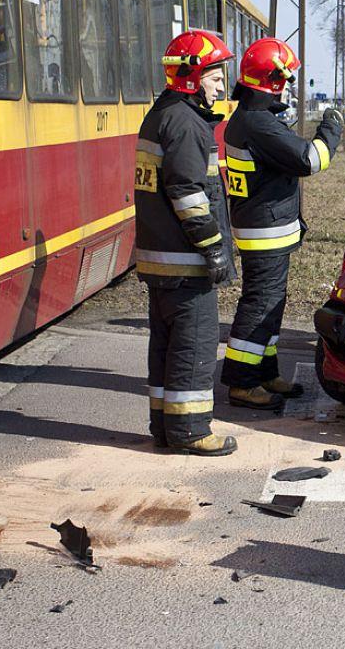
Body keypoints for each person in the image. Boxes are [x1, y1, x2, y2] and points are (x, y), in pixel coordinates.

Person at [220, 38, 343, 410]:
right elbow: (309, 159)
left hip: (263, 227)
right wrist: (331, 130)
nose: (289, 87)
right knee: (260, 305)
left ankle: (265, 371)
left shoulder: (249, 119)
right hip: (265, 232)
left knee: (272, 303)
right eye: (286, 79)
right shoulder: (259, 124)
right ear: (272, 80)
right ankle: (242, 383)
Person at [134, 30, 237, 456]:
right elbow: (189, 195)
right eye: (215, 77)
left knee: (165, 344)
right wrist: (214, 247)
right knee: (194, 342)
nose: (220, 86)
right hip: (186, 260)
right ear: (193, 79)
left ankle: (164, 425)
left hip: (160, 259)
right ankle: (191, 430)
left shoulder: (159, 116)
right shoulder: (187, 124)